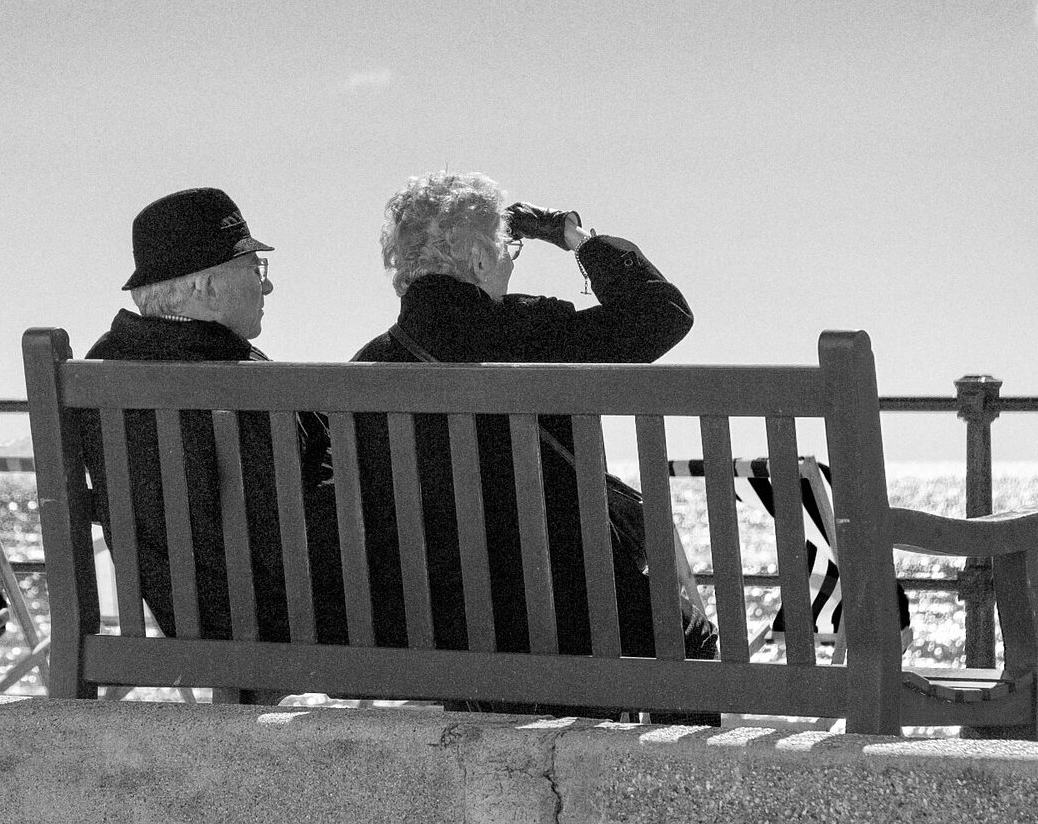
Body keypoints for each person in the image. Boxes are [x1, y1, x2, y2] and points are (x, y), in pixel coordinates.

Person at [352, 170, 718, 721]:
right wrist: (574, 238)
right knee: (687, 634)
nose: (513, 258)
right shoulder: (533, 332)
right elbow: (662, 315)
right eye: (509, 245)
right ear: (478, 259)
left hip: (444, 630)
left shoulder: (367, 368)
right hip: (571, 621)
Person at [78, 188, 346, 664]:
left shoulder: (100, 370)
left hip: (183, 617)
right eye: (254, 269)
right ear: (205, 286)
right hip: (293, 623)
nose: (266, 286)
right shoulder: (250, 383)